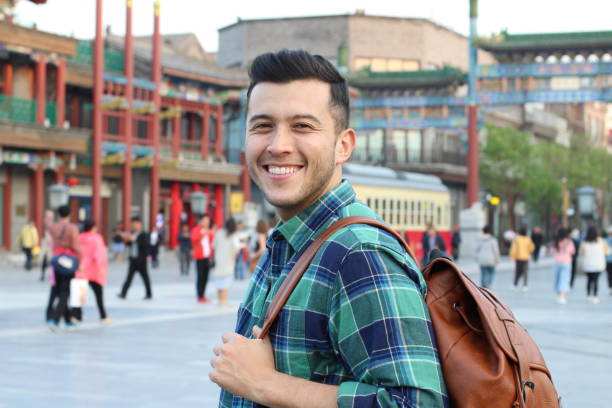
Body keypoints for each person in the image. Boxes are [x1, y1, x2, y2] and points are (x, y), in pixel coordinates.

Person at [210, 50, 447, 407]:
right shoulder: (289, 241)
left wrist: (265, 385)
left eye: (302, 126)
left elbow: (417, 404)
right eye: (262, 126)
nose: (278, 145)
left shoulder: (358, 253)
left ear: (343, 145)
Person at [45, 206, 81, 330]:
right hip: (68, 260)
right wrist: (80, 261)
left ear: (59, 214)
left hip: (56, 259)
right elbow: (76, 246)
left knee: (59, 289)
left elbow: (48, 224)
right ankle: (55, 320)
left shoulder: (54, 227)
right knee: (65, 292)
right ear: (69, 214)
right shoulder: (72, 228)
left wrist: (49, 216)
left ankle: (68, 320)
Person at [72, 219, 111, 324]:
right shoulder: (97, 238)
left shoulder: (79, 238)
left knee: (80, 295)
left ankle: (77, 316)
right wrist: (101, 268)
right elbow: (98, 255)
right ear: (94, 227)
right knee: (99, 295)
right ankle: (103, 316)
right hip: (93, 271)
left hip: (81, 270)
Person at [118, 217, 152, 300]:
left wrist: (135, 239)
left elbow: (146, 245)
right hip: (133, 259)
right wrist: (127, 239)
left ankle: (149, 294)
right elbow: (129, 243)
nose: (133, 226)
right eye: (132, 224)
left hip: (141, 260)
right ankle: (123, 293)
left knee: (145, 278)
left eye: (134, 224)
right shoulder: (132, 234)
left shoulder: (144, 234)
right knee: (129, 278)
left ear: (139, 224)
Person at [211, 218, 241, 307]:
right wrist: (233, 256)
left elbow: (213, 245)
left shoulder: (219, 233)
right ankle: (224, 301)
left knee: (218, 281)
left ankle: (220, 300)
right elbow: (236, 247)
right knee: (226, 282)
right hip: (228, 261)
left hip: (219, 260)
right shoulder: (233, 235)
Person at [579, 225, 610, 304]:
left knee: (589, 280)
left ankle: (588, 296)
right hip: (598, 264)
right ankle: (595, 297)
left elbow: (581, 253)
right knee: (596, 281)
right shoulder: (601, 241)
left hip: (588, 264)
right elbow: (607, 252)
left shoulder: (584, 242)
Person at [191, 214, 215, 303]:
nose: (207, 223)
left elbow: (213, 242)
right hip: (199, 257)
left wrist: (211, 233)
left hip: (207, 257)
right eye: (205, 221)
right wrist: (204, 234)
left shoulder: (209, 231)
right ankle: (199, 295)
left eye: (208, 221)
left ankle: (203, 295)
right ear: (201, 221)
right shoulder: (196, 230)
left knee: (206, 276)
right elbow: (194, 240)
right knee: (200, 276)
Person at [549, 227, 575, 304]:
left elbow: (551, 251)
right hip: (566, 262)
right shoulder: (569, 242)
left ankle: (558, 294)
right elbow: (572, 251)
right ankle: (562, 296)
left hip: (557, 262)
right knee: (564, 278)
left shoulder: (556, 241)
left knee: (557, 278)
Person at [509, 226, 535, 291]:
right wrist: (529, 252)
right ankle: (525, 285)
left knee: (518, 271)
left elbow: (514, 249)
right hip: (526, 258)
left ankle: (515, 284)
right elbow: (532, 248)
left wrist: (512, 256)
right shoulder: (528, 239)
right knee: (525, 272)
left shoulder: (517, 239)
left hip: (518, 257)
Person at [606, 227, 612, 296]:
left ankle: (610, 287)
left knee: (609, 275)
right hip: (608, 260)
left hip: (608, 261)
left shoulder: (605, 240)